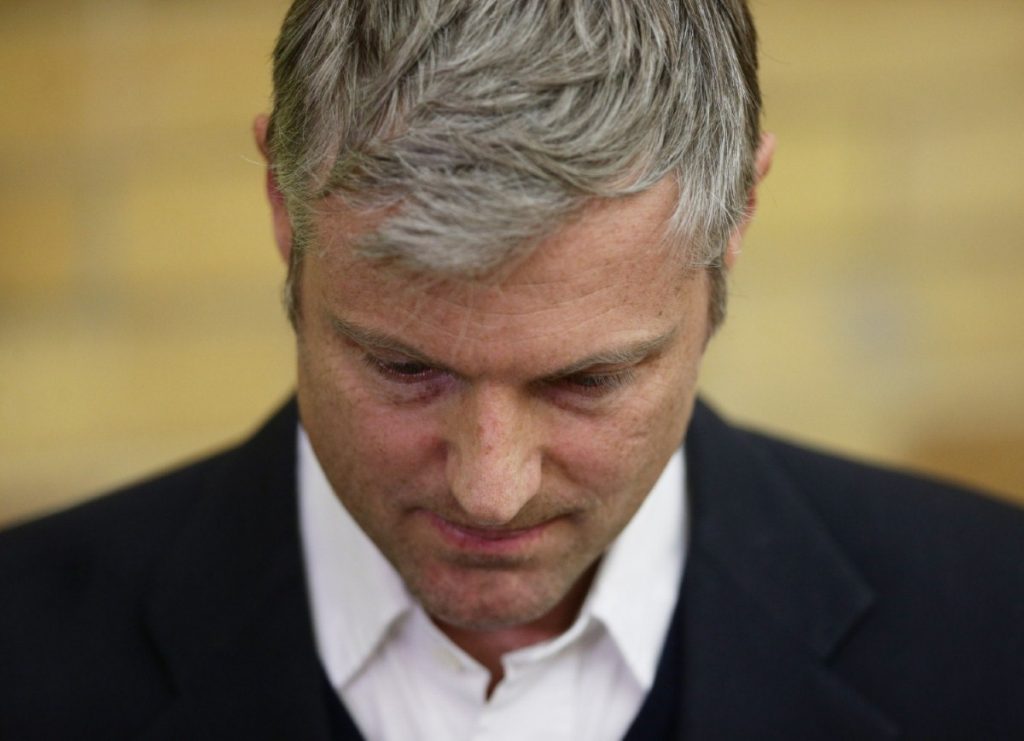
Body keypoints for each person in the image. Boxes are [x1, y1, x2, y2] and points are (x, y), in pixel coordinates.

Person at [2, 1, 1022, 738]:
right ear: (282, 201)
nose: (491, 491)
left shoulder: (992, 625)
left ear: (737, 218)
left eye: (587, 382)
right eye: (403, 367)